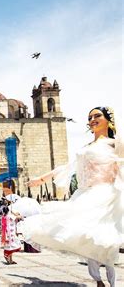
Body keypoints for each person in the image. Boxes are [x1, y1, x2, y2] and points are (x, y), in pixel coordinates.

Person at [25, 107, 122, 287]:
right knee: (87, 236)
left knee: (105, 239)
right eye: (90, 117)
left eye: (97, 116)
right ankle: (98, 280)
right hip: (85, 194)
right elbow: (67, 167)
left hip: (106, 195)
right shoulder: (87, 147)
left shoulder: (114, 143)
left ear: (108, 119)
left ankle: (112, 282)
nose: (92, 119)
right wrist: (41, 179)